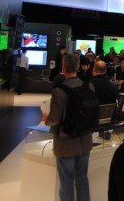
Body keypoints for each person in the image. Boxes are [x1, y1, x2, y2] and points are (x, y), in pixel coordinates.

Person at [44, 54, 93, 201]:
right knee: (82, 178)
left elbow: (54, 119)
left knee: (66, 182)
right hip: (85, 139)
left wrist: (45, 120)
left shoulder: (59, 92)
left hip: (66, 142)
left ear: (63, 68)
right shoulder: (89, 86)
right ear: (78, 67)